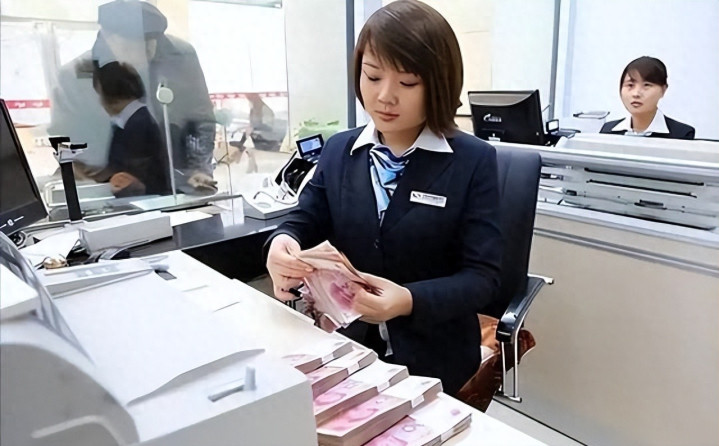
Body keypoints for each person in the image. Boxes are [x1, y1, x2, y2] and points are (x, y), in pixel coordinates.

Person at [265, 0, 501, 396]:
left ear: (438, 84)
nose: (385, 96)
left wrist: (408, 300)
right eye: (373, 76)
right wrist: (281, 243)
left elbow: (483, 278)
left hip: (434, 359)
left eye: (407, 83)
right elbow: (304, 219)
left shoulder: (472, 161)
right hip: (346, 348)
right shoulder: (340, 151)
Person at [49, 0, 217, 193]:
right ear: (109, 39)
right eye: (132, 47)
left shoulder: (179, 56)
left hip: (175, 181)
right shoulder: (76, 75)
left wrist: (197, 170)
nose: (144, 55)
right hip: (109, 186)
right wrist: (110, 181)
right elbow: (67, 143)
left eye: (150, 46)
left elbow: (201, 119)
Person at [92, 61, 170, 197]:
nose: (100, 102)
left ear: (110, 94)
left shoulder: (138, 125)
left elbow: (131, 177)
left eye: (100, 94)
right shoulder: (134, 120)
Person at [600, 56, 695, 139]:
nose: (636, 93)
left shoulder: (681, 134)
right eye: (630, 85)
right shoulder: (608, 131)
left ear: (663, 90)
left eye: (646, 85)